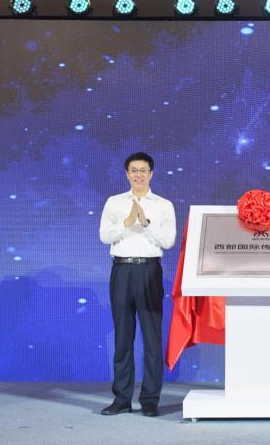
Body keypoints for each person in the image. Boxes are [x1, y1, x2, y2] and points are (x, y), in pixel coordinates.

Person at [99, 152, 176, 417]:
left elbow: (168, 241)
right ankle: (121, 399)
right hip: (121, 270)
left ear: (151, 174)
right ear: (127, 173)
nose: (138, 175)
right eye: (134, 170)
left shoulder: (163, 205)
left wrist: (145, 223)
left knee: (152, 338)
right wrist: (127, 222)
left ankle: (150, 399)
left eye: (143, 170)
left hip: (149, 271)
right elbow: (104, 235)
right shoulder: (114, 202)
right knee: (123, 338)